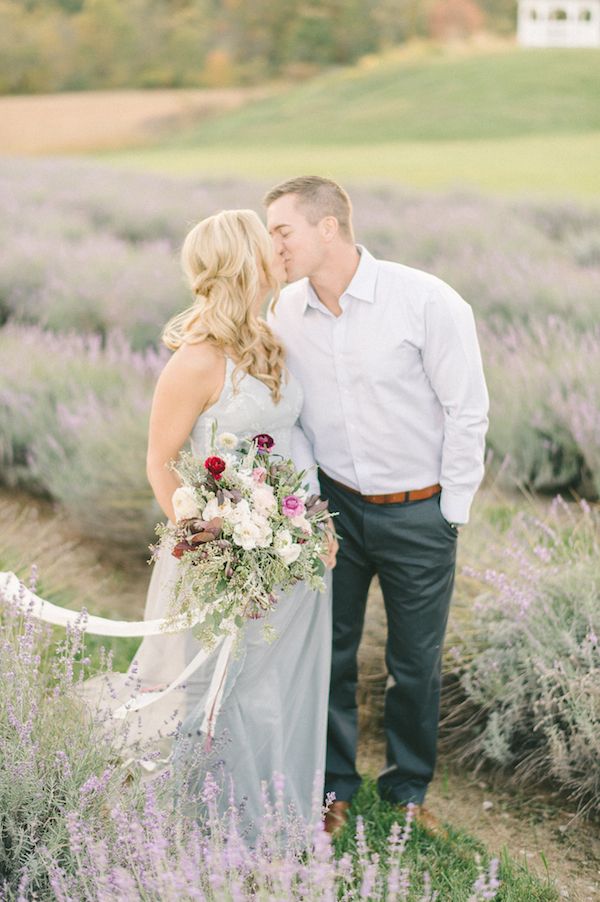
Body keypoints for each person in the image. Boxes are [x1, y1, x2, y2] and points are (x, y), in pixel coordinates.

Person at [84, 209, 335, 834]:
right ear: (240, 264)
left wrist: (316, 524)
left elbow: (289, 443)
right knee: (218, 686)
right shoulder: (196, 360)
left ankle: (274, 816)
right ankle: (203, 826)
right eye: (265, 244)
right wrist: (212, 546)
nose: (279, 252)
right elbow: (161, 463)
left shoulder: (269, 339)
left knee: (278, 684)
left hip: (290, 545)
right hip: (220, 554)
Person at [265, 176, 489, 834]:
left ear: (327, 228)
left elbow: (467, 410)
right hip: (333, 506)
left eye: (283, 231)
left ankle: (408, 790)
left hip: (421, 512)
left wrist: (452, 512)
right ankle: (333, 785)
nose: (272, 244)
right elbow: (292, 418)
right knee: (328, 654)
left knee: (413, 664)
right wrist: (306, 504)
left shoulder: (425, 301)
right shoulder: (282, 312)